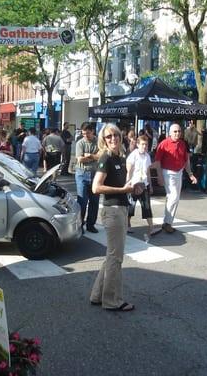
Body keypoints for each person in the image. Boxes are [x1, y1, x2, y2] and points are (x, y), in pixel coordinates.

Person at [90, 123, 135, 312]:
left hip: (120, 209)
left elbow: (122, 183)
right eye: (109, 137)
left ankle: (97, 295)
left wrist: (133, 188)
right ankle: (112, 300)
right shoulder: (106, 158)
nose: (113, 139)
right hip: (113, 211)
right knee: (116, 258)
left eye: (115, 135)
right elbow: (96, 187)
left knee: (111, 256)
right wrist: (122, 190)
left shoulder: (119, 157)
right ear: (104, 140)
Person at [153, 123, 197, 233]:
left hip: (179, 173)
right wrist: (159, 176)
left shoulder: (182, 144)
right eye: (175, 131)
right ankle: (167, 222)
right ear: (170, 133)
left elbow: (186, 161)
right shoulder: (163, 144)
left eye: (179, 131)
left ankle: (168, 222)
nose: (177, 133)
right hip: (167, 172)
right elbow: (157, 161)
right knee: (174, 197)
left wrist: (190, 174)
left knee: (174, 199)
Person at [126, 135, 162, 241]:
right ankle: (127, 225)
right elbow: (129, 171)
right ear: (137, 144)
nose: (145, 146)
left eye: (146, 144)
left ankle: (151, 228)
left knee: (147, 206)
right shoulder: (133, 155)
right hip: (134, 185)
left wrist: (150, 185)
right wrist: (128, 184)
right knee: (131, 206)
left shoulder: (147, 156)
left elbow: (148, 172)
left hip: (144, 184)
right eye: (142, 144)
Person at [75, 122, 100, 233]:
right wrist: (94, 157)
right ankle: (80, 225)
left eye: (88, 133)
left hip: (95, 174)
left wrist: (88, 155)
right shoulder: (80, 143)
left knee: (94, 201)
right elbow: (80, 159)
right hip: (82, 174)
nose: (85, 136)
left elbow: (101, 156)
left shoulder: (98, 142)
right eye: (83, 133)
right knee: (82, 202)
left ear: (93, 132)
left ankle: (91, 225)